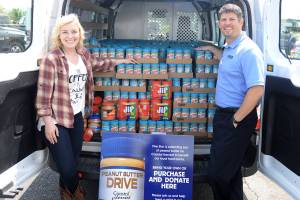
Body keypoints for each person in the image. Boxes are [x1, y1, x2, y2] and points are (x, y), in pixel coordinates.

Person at [35, 14, 136, 200]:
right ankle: (78, 193)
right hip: (57, 119)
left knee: (72, 161)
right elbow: (43, 94)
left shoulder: (83, 54)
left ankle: (66, 192)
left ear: (79, 34)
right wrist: (48, 122)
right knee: (66, 166)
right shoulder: (52, 59)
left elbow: (98, 63)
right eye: (65, 32)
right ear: (59, 35)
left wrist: (119, 61)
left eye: (73, 32)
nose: (70, 36)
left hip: (77, 117)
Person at [196, 4, 265, 200]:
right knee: (231, 170)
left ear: (241, 22)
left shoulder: (249, 51)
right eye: (224, 20)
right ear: (218, 23)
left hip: (236, 118)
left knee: (217, 174)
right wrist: (212, 49)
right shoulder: (229, 48)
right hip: (224, 116)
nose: (227, 24)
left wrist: (236, 119)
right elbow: (227, 59)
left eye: (232, 20)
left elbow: (257, 89)